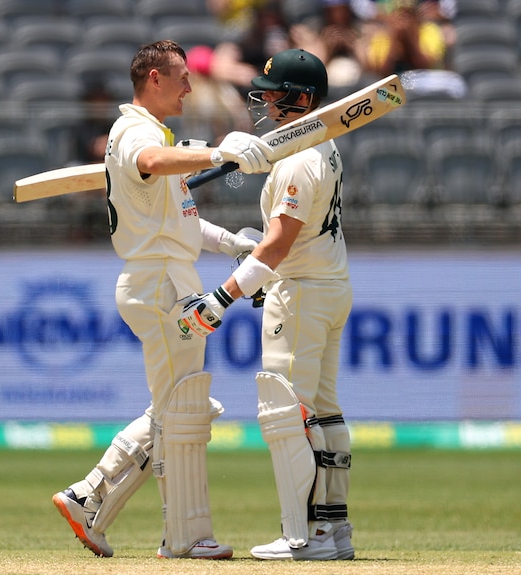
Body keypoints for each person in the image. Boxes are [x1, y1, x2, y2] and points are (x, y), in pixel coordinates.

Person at [50, 39, 272, 560]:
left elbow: (183, 222)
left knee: (175, 409)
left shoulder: (159, 136)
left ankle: (91, 499)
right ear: (154, 78)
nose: (190, 87)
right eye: (181, 78)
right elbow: (150, 160)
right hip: (158, 284)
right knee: (184, 411)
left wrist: (233, 243)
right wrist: (221, 153)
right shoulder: (135, 132)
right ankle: (184, 537)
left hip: (165, 277)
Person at [177, 48, 354, 561]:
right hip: (328, 285)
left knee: (288, 412)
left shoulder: (299, 159)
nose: (265, 101)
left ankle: (304, 536)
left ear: (301, 99)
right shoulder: (324, 147)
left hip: (299, 291)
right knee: (323, 413)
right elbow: (280, 240)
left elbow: (278, 245)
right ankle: (333, 532)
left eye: (275, 94)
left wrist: (221, 297)